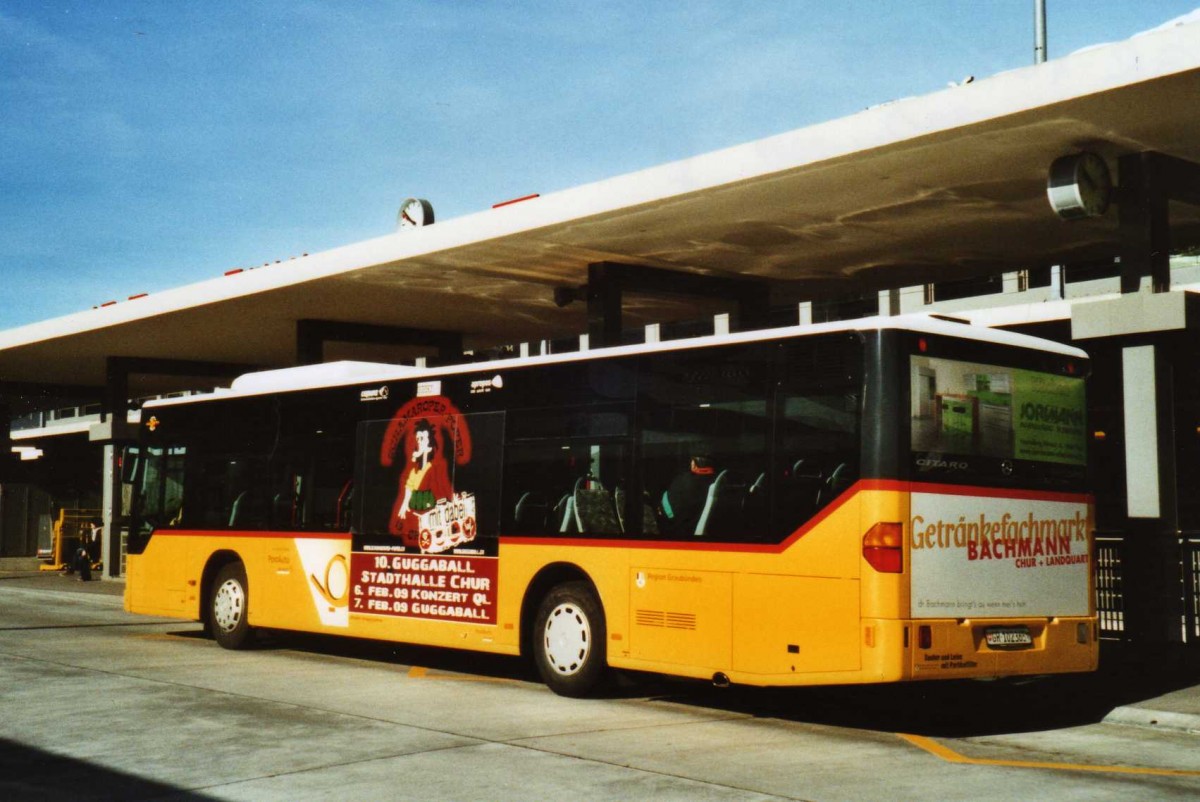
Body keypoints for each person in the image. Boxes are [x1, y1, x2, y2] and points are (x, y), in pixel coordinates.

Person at [661, 454, 715, 536]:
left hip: (679, 532)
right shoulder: (715, 479)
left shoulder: (683, 480)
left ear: (693, 464)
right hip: (699, 528)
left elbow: (668, 514)